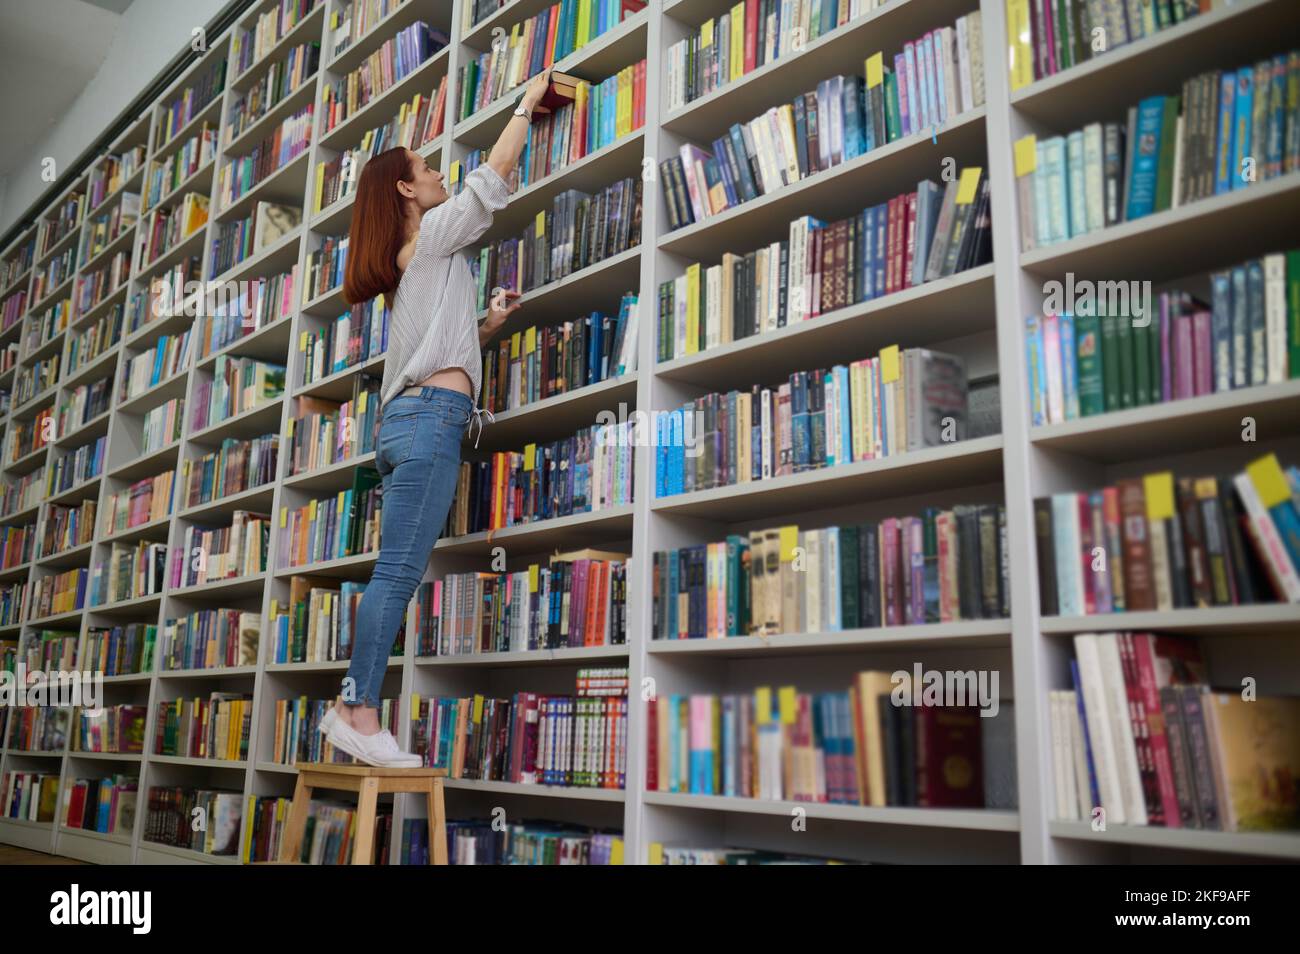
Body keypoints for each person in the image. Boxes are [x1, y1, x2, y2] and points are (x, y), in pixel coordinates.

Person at [317, 69, 553, 766]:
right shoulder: (431, 241)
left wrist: (483, 327)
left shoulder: (415, 265)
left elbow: (427, 354)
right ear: (405, 191)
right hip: (429, 423)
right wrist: (525, 103)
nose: (439, 173)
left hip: (408, 422)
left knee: (393, 570)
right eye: (426, 168)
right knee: (396, 574)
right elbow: (495, 175)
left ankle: (354, 708)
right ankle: (355, 709)